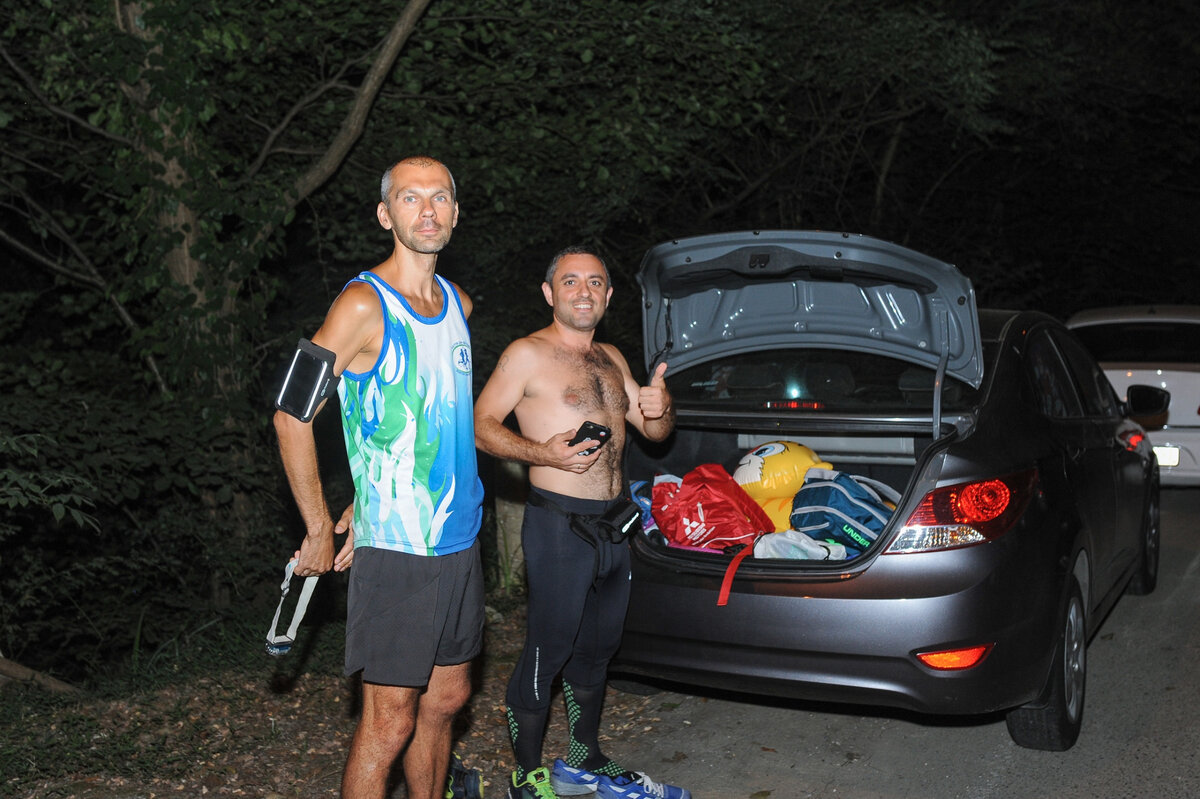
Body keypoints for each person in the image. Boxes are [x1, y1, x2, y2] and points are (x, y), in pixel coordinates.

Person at [274, 156, 485, 799]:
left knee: (447, 698)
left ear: (455, 210)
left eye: (440, 197)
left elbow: (427, 421)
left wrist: (358, 497)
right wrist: (317, 524)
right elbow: (291, 413)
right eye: (410, 198)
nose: (428, 210)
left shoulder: (460, 305)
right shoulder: (364, 303)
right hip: (398, 553)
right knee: (389, 720)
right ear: (385, 214)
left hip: (460, 538)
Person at [474, 246, 690, 799]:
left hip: (615, 527)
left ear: (609, 296)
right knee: (550, 648)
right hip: (559, 527)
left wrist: (661, 407)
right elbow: (481, 425)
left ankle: (583, 758)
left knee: (599, 650)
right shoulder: (527, 353)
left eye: (595, 282)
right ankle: (526, 774)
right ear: (550, 293)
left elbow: (654, 434)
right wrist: (542, 455)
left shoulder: (612, 357)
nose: (584, 291)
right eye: (570, 281)